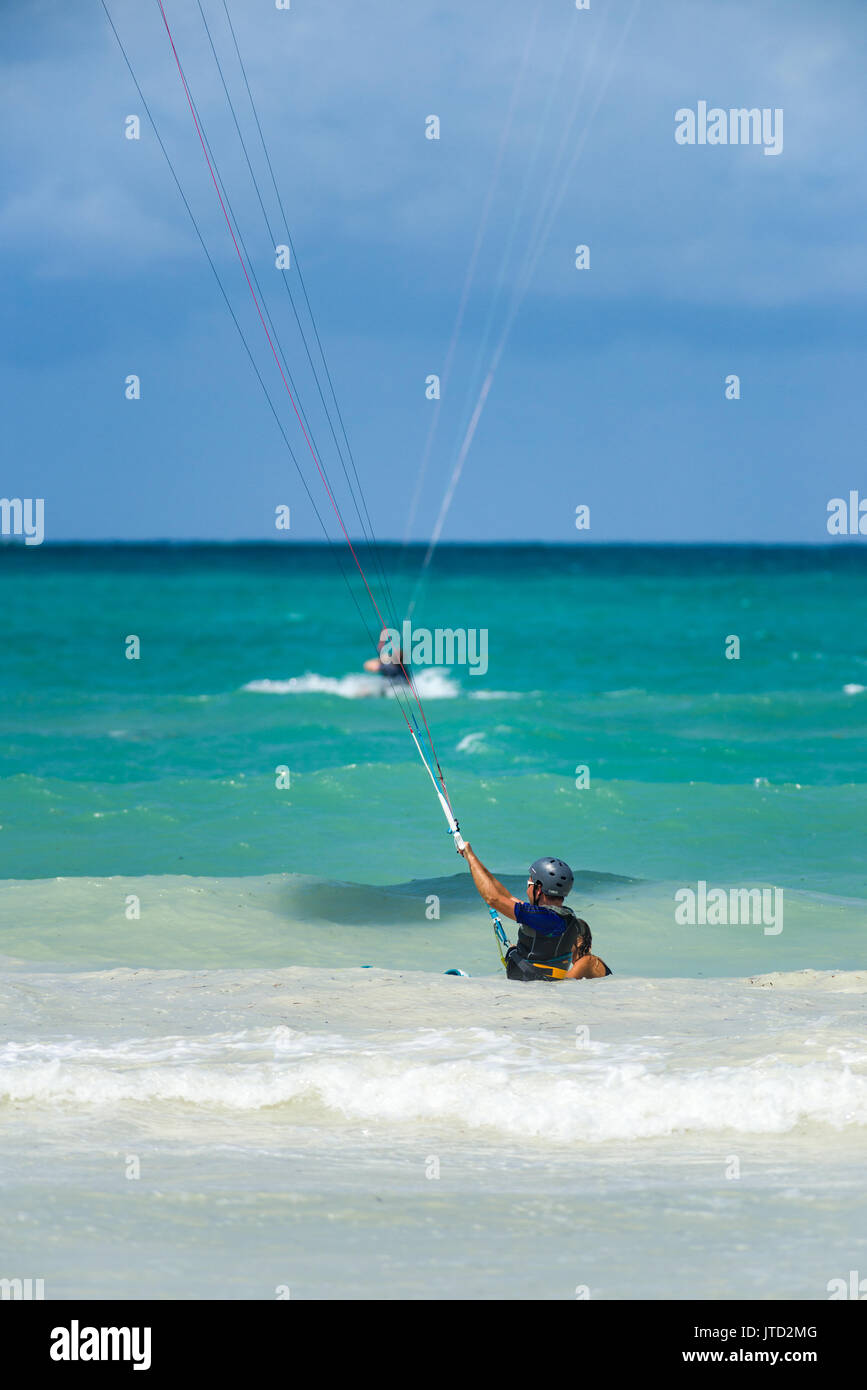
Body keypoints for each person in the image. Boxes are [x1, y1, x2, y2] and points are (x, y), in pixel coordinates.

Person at [459, 845, 611, 981]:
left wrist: (470, 857)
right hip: (540, 991)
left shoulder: (545, 919)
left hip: (531, 994)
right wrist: (471, 858)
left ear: (538, 889)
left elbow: (493, 898)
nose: (527, 889)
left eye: (529, 883)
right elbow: (506, 897)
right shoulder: (562, 917)